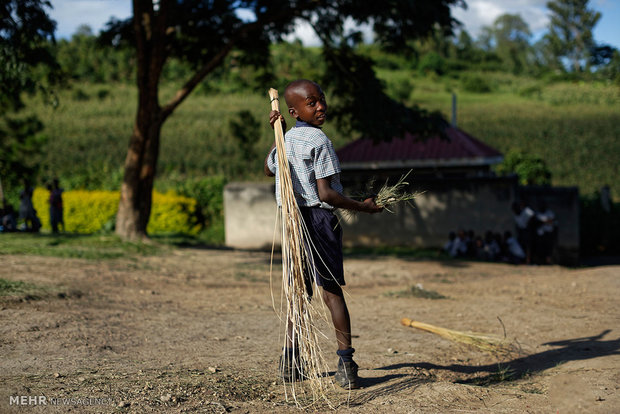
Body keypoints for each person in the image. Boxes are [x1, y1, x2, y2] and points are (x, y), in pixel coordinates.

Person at [264, 79, 382, 389]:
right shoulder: (319, 141)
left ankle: (290, 361)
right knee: (331, 292)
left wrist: (278, 135)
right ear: (294, 110)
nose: (321, 107)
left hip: (291, 219)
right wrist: (363, 207)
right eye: (312, 103)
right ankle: (346, 363)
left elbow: (269, 168)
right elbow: (327, 194)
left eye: (321, 100)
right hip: (317, 220)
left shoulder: (287, 139)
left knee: (297, 291)